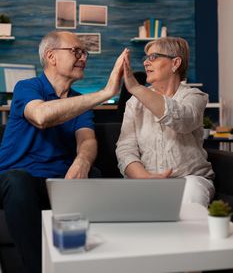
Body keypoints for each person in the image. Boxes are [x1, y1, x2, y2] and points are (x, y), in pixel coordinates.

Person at [0, 31, 126, 273]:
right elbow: (41, 116)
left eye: (84, 53)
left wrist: (82, 162)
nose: (83, 58)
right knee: (19, 181)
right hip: (16, 180)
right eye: (76, 51)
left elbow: (87, 140)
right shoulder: (28, 87)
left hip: (58, 181)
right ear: (51, 56)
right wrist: (104, 93)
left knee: (95, 174)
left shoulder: (79, 101)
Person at [116, 36, 215, 207]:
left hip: (189, 179)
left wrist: (136, 88)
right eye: (145, 58)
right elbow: (126, 149)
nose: (146, 63)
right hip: (145, 181)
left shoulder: (194, 97)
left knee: (190, 194)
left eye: (153, 57)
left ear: (175, 63)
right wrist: (145, 177)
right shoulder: (134, 103)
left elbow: (183, 120)